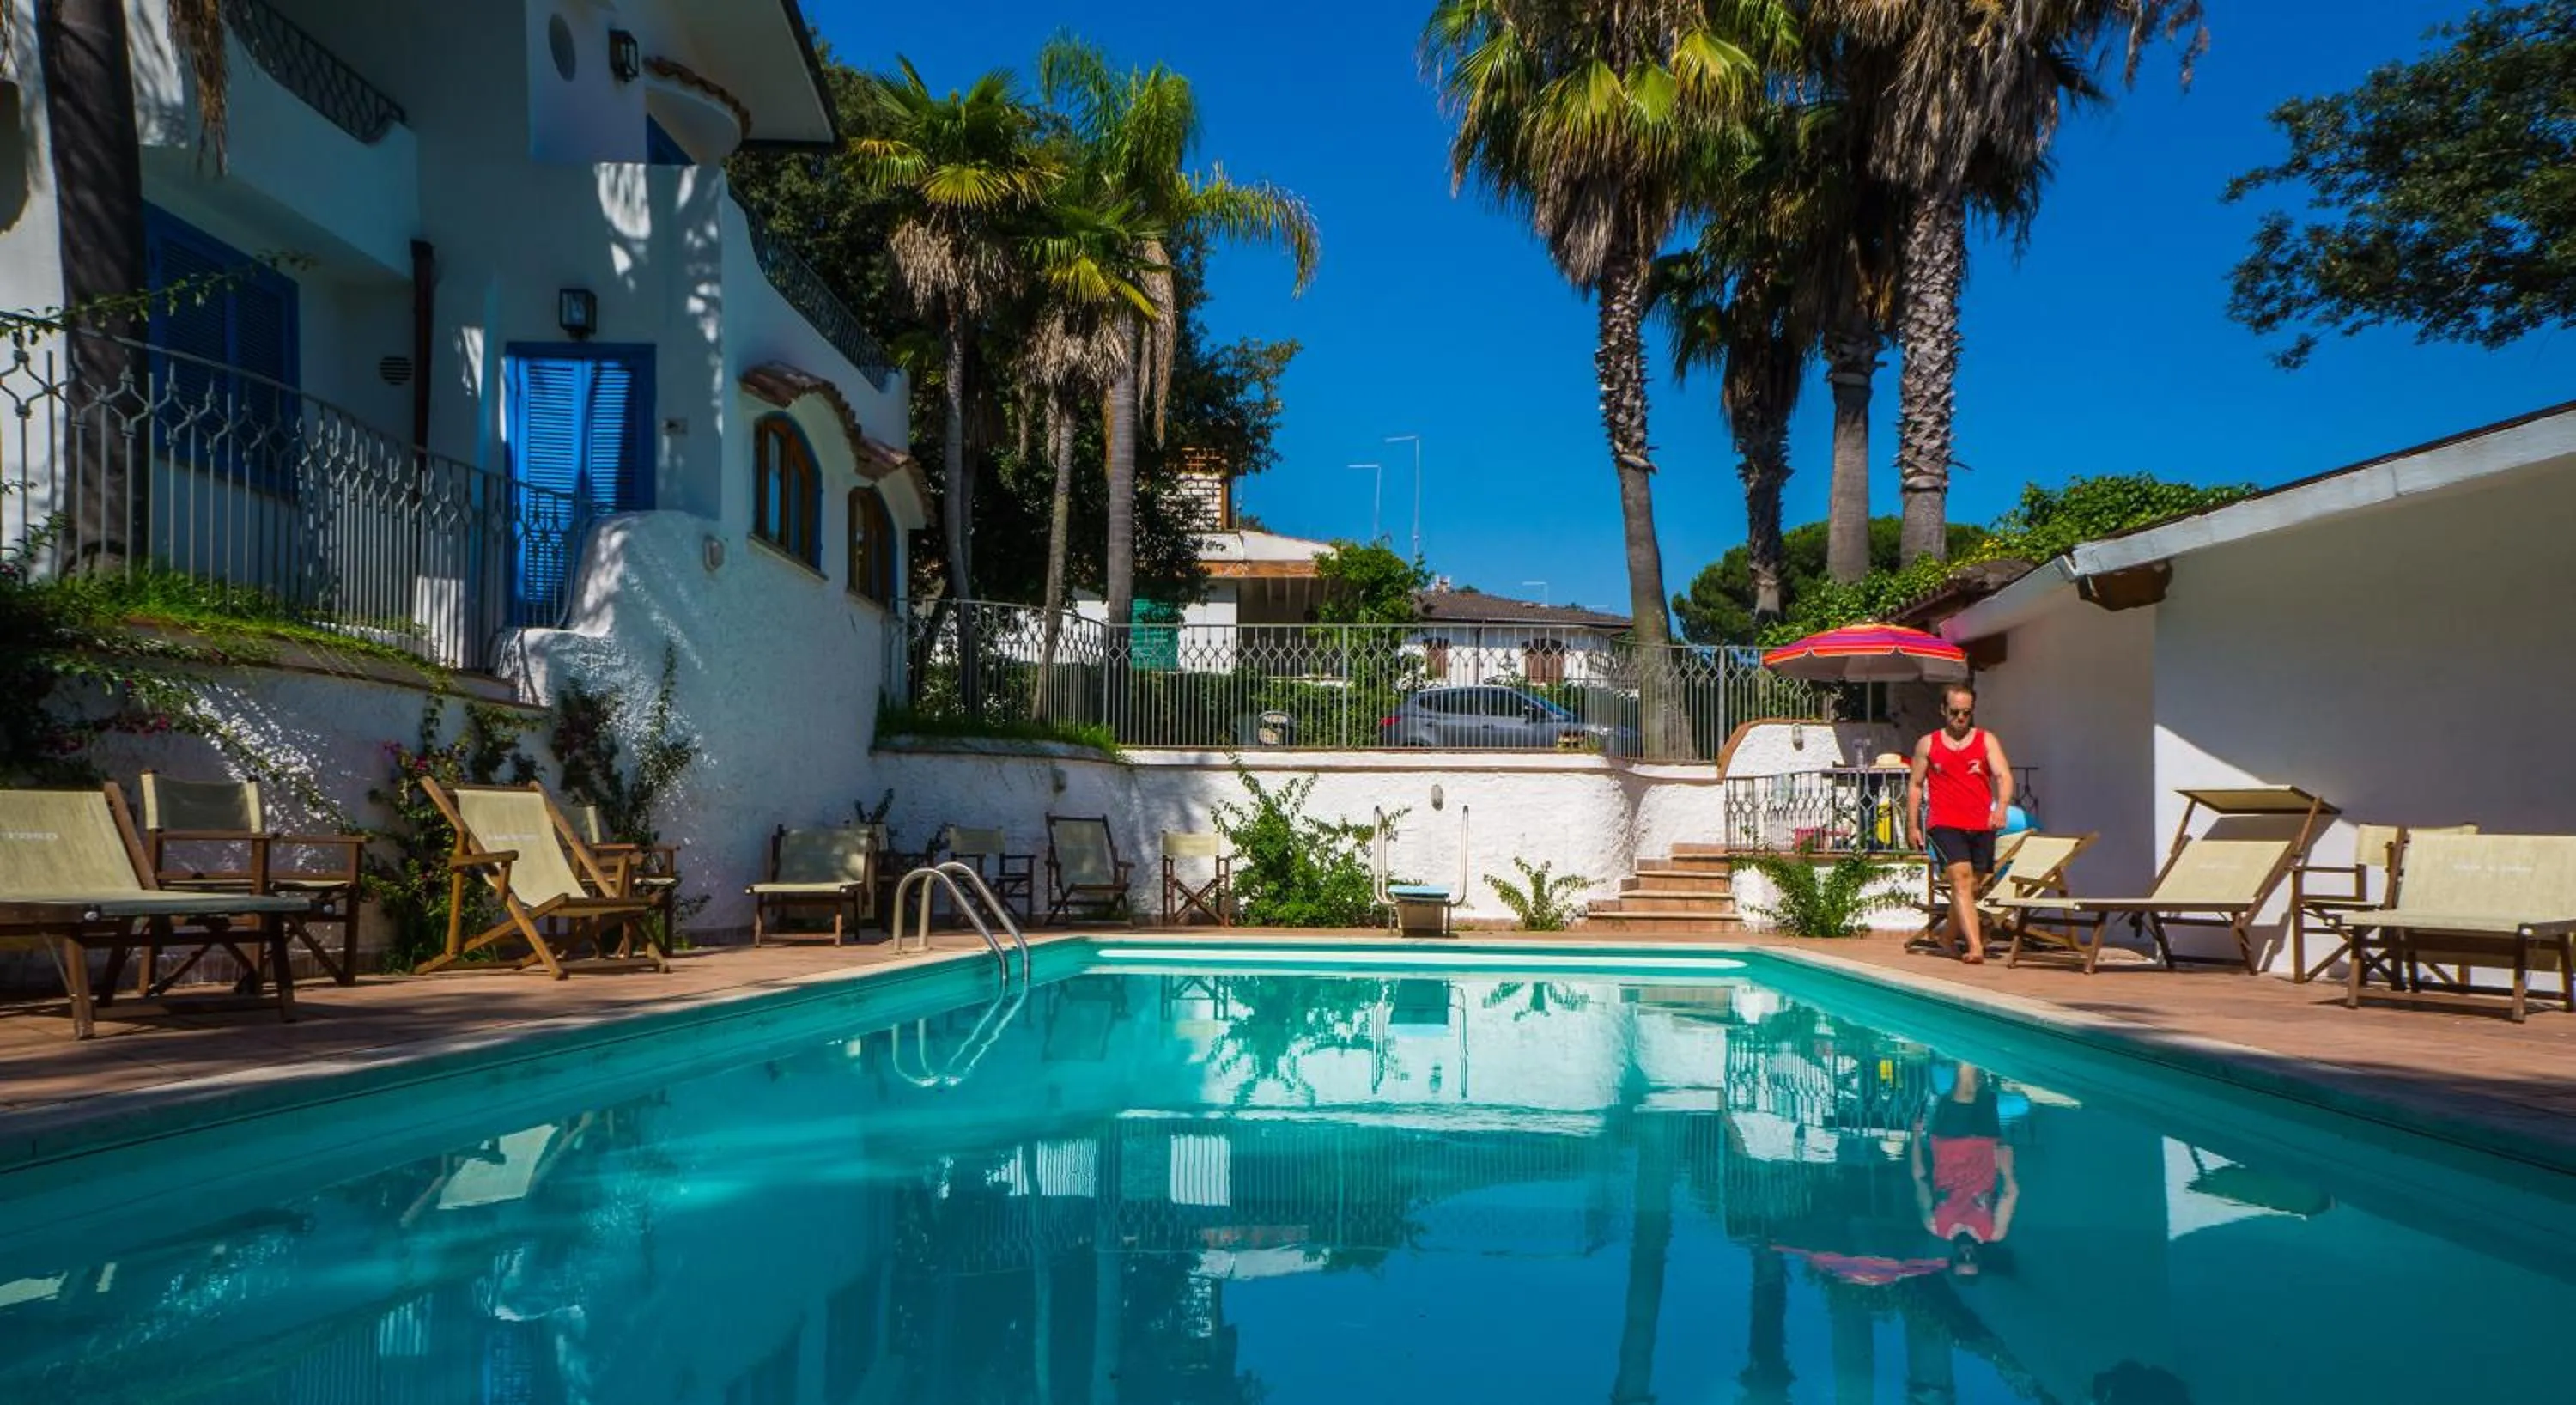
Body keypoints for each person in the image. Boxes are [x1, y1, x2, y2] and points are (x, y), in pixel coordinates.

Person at [1906, 684, 2014, 964]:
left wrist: (2001, 808)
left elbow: (2003, 776)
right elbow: (1916, 786)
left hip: (1980, 824)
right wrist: (1912, 826)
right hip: (1944, 823)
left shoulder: (1986, 740)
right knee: (1962, 878)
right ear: (1943, 710)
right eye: (1955, 712)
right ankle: (1975, 946)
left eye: (1966, 713)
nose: (1961, 718)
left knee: (1972, 885)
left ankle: (1946, 936)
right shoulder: (1928, 744)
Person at [1910, 1062, 2019, 1278]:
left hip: (1949, 1141)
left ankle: (1966, 1041)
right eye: (1972, 1259)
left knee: (1966, 1085)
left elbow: (1919, 1178)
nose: (1967, 1254)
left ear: (1952, 1259)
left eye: (1962, 1259)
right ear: (1980, 1258)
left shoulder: (1934, 1224)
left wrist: (1915, 1136)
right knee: (1981, 1085)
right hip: (1987, 1142)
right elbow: (2010, 1194)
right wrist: (2007, 1171)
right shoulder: (1994, 1232)